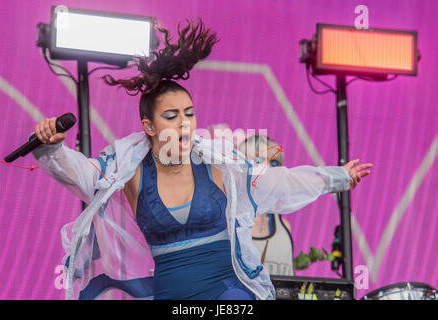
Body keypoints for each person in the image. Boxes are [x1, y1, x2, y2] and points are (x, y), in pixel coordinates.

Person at [31, 19, 372, 300]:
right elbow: (82, 174)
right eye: (172, 115)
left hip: (230, 294)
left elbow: (279, 183)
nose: (184, 123)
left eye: (190, 113)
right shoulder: (127, 170)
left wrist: (336, 178)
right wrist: (51, 148)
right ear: (149, 126)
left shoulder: (220, 163)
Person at [238, 134, 295, 276]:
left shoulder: (285, 226)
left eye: (274, 163)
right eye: (258, 161)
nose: (268, 168)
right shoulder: (230, 222)